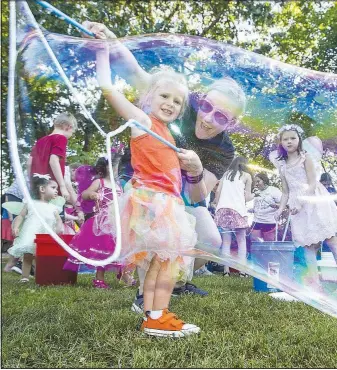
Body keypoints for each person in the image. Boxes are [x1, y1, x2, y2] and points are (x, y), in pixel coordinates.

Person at [80, 21, 245, 304]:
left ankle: (176, 280)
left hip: (182, 195)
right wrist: (111, 41)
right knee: (153, 234)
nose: (208, 118)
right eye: (207, 107)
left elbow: (198, 194)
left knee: (211, 241)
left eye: (221, 117)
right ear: (200, 100)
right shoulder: (178, 102)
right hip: (147, 185)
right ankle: (145, 294)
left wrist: (195, 171)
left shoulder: (224, 149)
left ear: (232, 123)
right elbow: (138, 76)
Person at [95, 36, 200, 337]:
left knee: (161, 261)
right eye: (164, 96)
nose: (170, 103)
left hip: (164, 201)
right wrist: (103, 51)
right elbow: (109, 90)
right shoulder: (143, 120)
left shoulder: (167, 132)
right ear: (149, 99)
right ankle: (158, 316)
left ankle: (155, 315)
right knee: (167, 262)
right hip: (155, 201)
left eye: (177, 101)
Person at [274, 124, 337, 295]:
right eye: (285, 139)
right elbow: (286, 191)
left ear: (299, 140)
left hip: (315, 201)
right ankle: (315, 286)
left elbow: (311, 183)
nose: (289, 141)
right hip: (299, 208)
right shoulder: (282, 166)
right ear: (281, 142)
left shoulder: (306, 158)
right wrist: (281, 207)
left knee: (332, 241)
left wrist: (300, 203)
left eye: (293, 138)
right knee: (309, 246)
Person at [63, 157, 123, 288]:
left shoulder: (118, 185)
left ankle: (123, 275)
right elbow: (84, 193)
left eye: (117, 166)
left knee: (120, 249)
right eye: (113, 166)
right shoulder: (99, 182)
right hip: (103, 221)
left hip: (117, 221)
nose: (115, 168)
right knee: (102, 249)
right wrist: (91, 194)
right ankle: (99, 278)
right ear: (104, 168)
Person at [7, 175, 63, 283]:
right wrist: (16, 226)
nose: (56, 191)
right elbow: (21, 216)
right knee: (28, 256)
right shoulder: (31, 204)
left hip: (45, 235)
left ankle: (40, 277)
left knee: (42, 258)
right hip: (31, 234)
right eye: (53, 188)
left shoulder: (54, 208)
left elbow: (58, 220)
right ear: (42, 189)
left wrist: (59, 227)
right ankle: (25, 277)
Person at [211, 156, 255, 276]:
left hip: (223, 209)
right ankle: (242, 271)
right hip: (238, 211)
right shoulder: (246, 176)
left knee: (226, 241)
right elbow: (247, 197)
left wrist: (216, 203)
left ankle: (226, 271)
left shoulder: (226, 174)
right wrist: (254, 195)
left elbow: (218, 191)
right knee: (241, 240)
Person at [27, 113, 77, 203]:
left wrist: (31, 183)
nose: (71, 135)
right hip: (52, 188)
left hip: (38, 189)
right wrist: (62, 186)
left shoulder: (39, 141)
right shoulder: (61, 138)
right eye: (72, 132)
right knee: (54, 214)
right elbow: (53, 160)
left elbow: (29, 163)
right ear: (68, 127)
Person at [250, 173, 282, 242]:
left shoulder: (274, 190)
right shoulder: (256, 191)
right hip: (257, 221)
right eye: (255, 182)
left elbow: (285, 205)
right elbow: (257, 204)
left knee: (268, 244)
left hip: (269, 222)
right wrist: (253, 209)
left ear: (264, 181)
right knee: (255, 243)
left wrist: (276, 205)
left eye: (258, 181)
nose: (256, 184)